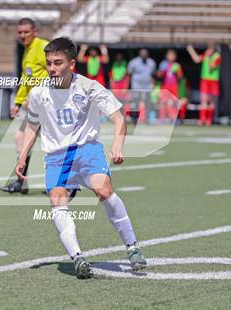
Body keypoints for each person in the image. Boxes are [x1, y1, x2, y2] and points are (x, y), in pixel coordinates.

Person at [15, 37, 146, 278]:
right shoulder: (39, 93)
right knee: (57, 201)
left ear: (72, 63)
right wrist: (22, 156)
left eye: (58, 63)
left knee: (104, 191)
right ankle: (78, 258)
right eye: (49, 63)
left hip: (86, 150)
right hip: (56, 156)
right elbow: (32, 125)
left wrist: (118, 146)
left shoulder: (89, 87)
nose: (52, 68)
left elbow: (118, 117)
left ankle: (133, 247)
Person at [0, 18, 49, 194]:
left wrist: (39, 94)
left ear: (34, 31)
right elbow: (25, 80)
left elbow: (58, 73)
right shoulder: (27, 51)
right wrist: (18, 102)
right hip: (32, 106)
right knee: (20, 138)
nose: (22, 35)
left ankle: (62, 184)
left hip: (47, 105)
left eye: (26, 32)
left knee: (54, 145)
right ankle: (21, 181)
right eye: (20, 32)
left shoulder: (44, 48)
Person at [187, 43, 221, 126]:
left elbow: (211, 67)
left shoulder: (217, 57)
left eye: (209, 49)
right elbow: (197, 59)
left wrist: (209, 57)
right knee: (203, 100)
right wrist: (191, 50)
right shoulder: (206, 55)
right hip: (204, 80)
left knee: (211, 102)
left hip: (213, 81)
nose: (207, 51)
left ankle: (209, 120)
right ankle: (202, 119)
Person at [127, 49, 156, 123]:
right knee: (135, 103)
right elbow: (129, 74)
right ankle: (134, 119)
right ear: (139, 54)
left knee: (147, 103)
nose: (144, 55)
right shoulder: (133, 62)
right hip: (136, 86)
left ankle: (146, 119)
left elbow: (153, 75)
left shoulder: (151, 62)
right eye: (142, 54)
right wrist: (129, 86)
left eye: (145, 54)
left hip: (147, 87)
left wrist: (153, 84)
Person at [157, 49, 183, 122]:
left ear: (175, 57)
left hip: (173, 88)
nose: (171, 57)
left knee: (171, 104)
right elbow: (158, 76)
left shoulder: (177, 66)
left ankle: (173, 119)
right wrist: (161, 71)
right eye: (169, 55)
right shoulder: (163, 64)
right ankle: (162, 119)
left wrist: (176, 73)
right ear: (166, 56)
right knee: (163, 103)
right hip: (164, 88)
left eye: (172, 55)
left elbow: (180, 78)